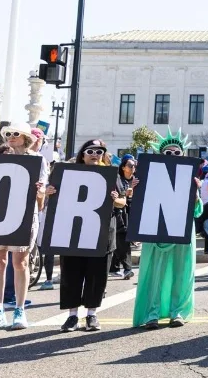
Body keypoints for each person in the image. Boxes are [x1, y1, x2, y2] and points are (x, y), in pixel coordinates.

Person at [132, 129, 205, 329]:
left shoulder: (190, 178)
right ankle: (151, 314)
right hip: (156, 229)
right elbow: (140, 206)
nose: (172, 156)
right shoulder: (150, 175)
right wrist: (135, 188)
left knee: (182, 272)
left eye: (177, 153)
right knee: (155, 273)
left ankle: (178, 312)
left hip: (182, 228)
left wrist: (195, 194)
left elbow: (197, 211)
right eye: (168, 153)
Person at [46, 139, 120, 332]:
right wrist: (49, 192)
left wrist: (115, 199)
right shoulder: (68, 173)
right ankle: (72, 316)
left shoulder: (110, 173)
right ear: (83, 154)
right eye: (90, 151)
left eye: (99, 151)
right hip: (73, 231)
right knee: (71, 273)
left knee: (97, 275)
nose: (95, 154)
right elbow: (54, 197)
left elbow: (122, 201)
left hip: (102, 232)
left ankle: (91, 314)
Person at [0, 132, 48, 331]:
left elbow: (42, 193)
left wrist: (40, 191)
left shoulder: (37, 160)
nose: (10, 136)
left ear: (26, 137)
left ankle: (19, 309)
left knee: (20, 262)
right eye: (8, 134)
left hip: (24, 214)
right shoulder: (0, 158)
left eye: (15, 133)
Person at [110, 155, 137, 279]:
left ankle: (114, 267)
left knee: (120, 241)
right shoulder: (118, 180)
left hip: (132, 213)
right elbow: (117, 198)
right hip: (120, 213)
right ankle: (128, 269)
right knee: (122, 240)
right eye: (130, 166)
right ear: (123, 167)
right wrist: (125, 194)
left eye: (134, 166)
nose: (133, 168)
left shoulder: (136, 180)